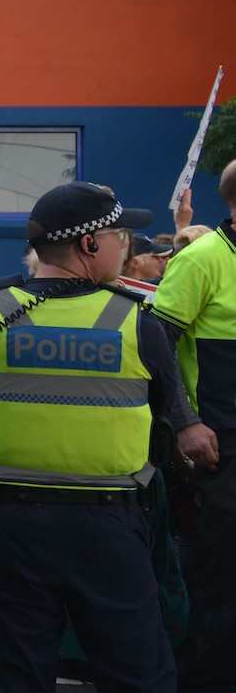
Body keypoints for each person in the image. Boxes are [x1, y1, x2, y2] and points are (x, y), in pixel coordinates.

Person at [0, 181, 217, 692]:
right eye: (119, 234)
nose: (126, 245)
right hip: (109, 525)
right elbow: (161, 413)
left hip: (10, 523)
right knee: (137, 672)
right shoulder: (135, 322)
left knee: (14, 675)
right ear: (89, 244)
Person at [151, 161, 235, 691]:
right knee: (219, 584)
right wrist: (186, 423)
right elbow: (156, 345)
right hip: (221, 448)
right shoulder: (202, 258)